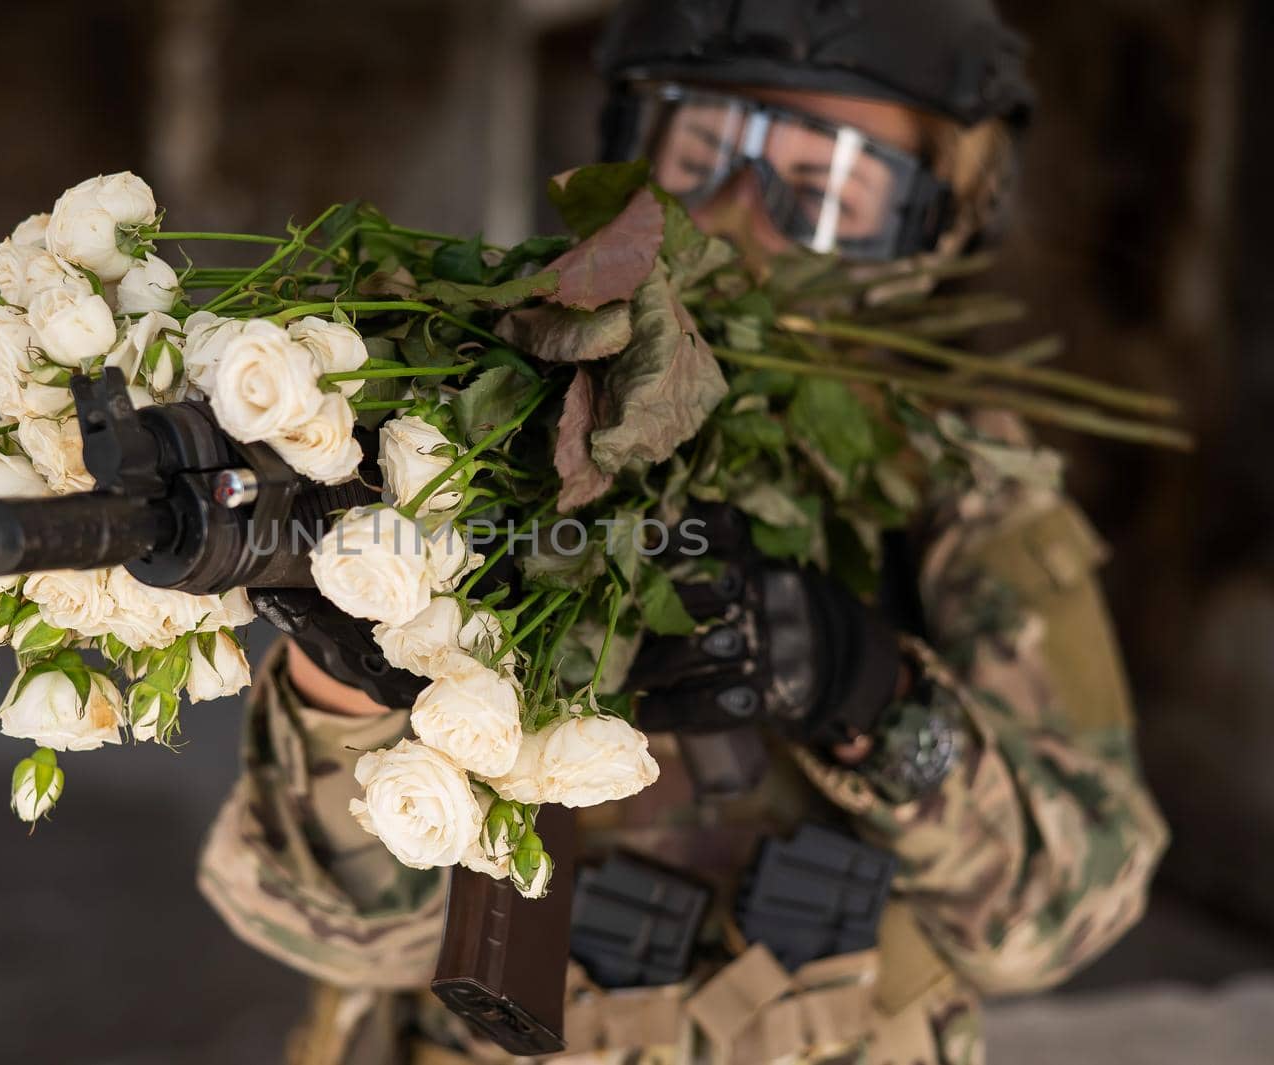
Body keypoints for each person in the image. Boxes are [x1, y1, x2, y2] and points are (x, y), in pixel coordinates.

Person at [197, 2, 1168, 1062]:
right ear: (629, 150)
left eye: (832, 186)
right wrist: (344, 707)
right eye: (706, 151)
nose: (747, 216)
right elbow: (336, 934)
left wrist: (878, 703)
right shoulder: (486, 412)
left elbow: (1058, 919)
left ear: (935, 222)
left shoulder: (951, 475)